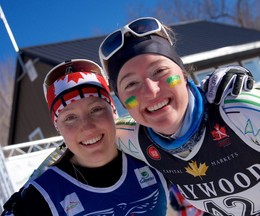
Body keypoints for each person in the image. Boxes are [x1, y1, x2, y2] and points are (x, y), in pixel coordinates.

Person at [98, 16, 260, 215]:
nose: (150, 91)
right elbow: (86, 137)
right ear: (121, 100)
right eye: (131, 84)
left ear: (183, 74)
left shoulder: (240, 111)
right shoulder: (132, 138)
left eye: (159, 71)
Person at [2, 59, 170, 216]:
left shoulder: (153, 156)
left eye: (96, 109)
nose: (88, 127)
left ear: (113, 111)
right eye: (70, 118)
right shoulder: (40, 197)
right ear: (58, 128)